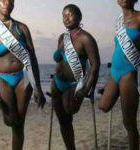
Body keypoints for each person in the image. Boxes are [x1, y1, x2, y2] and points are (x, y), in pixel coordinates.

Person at [0, 0, 46, 149]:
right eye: (2, 0)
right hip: (2, 78)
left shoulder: (22, 28)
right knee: (11, 120)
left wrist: (38, 88)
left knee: (19, 124)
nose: (7, 3)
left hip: (24, 76)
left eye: (10, 0)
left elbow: (33, 59)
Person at [98, 0, 140, 149]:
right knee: (103, 106)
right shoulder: (119, 22)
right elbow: (118, 49)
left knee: (129, 123)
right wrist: (108, 82)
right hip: (114, 72)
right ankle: (123, 95)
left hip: (129, 72)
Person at [50, 4, 100, 150]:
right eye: (63, 15)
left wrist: (87, 89)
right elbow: (57, 58)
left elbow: (95, 66)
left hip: (74, 84)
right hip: (57, 83)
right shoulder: (62, 37)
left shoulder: (86, 38)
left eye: (70, 14)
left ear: (79, 17)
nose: (66, 18)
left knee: (70, 109)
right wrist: (59, 51)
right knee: (63, 122)